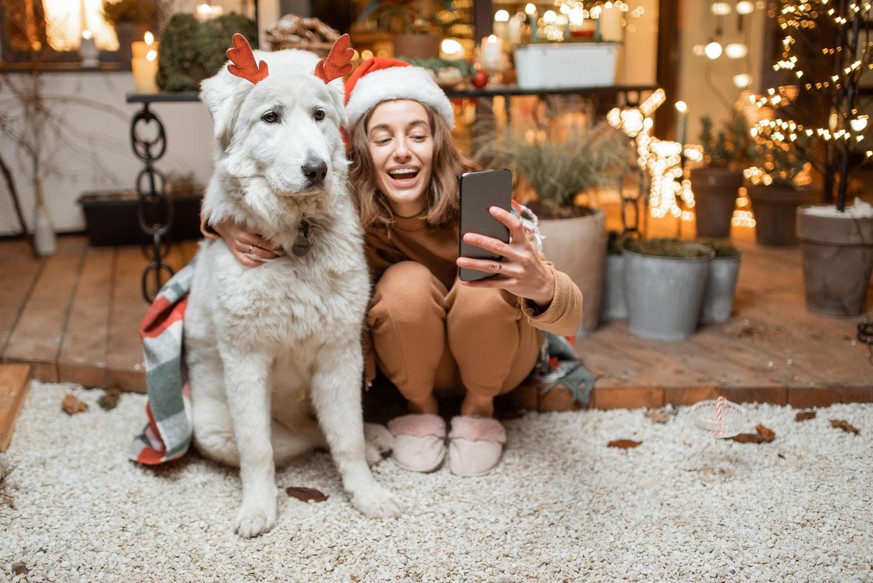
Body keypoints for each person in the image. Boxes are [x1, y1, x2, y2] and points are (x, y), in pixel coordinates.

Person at [209, 58, 583, 477]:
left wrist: (541, 283)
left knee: (483, 287)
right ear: (361, 149)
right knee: (405, 283)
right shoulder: (340, 208)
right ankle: (420, 412)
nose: (402, 151)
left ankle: (479, 411)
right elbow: (256, 197)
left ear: (437, 142)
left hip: (499, 361)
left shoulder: (481, 197)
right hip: (415, 364)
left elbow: (572, 314)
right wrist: (217, 222)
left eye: (418, 135)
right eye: (383, 139)